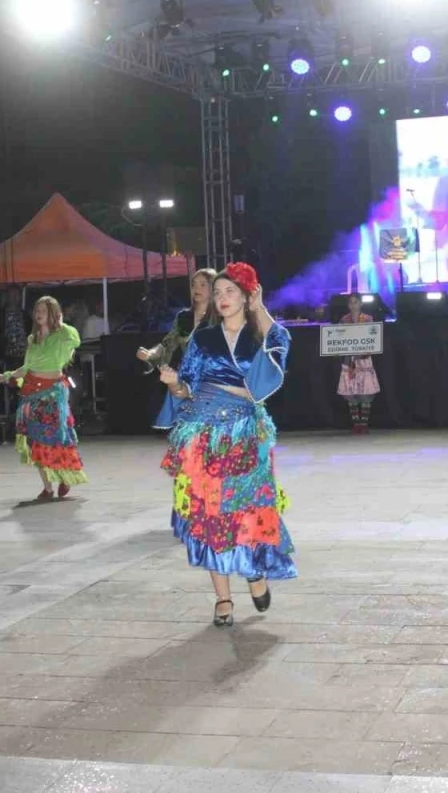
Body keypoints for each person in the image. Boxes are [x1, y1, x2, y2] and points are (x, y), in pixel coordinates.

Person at [157, 262, 296, 628]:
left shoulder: (260, 334)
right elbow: (186, 387)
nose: (221, 298)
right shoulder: (203, 339)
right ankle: (222, 597)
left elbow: (280, 345)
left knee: (247, 509)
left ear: (247, 296)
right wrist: (174, 383)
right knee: (208, 515)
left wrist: (259, 309)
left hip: (244, 433)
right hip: (203, 430)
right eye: (217, 292)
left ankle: (253, 571)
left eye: (230, 291)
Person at [0, 296, 87, 501]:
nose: (39, 314)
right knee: (35, 441)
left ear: (53, 314)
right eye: (37, 310)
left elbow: (76, 339)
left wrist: (61, 324)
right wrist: (6, 376)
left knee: (57, 438)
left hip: (53, 394)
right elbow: (27, 367)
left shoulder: (62, 335)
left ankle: (65, 476)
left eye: (43, 310)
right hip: (32, 393)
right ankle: (47, 487)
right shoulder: (32, 339)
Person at [141, 268, 216, 427]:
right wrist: (151, 353)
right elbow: (169, 343)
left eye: (203, 285)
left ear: (213, 288)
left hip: (213, 377)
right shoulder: (184, 317)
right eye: (194, 285)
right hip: (187, 376)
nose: (197, 288)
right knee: (187, 424)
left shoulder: (219, 317)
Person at [337, 294, 380, 434]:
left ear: (361, 303)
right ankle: (356, 424)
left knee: (366, 389)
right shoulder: (344, 320)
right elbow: (339, 338)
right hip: (349, 359)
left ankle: (364, 423)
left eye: (355, 302)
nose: (353, 305)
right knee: (351, 390)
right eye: (351, 302)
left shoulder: (368, 319)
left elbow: (372, 338)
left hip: (364, 358)